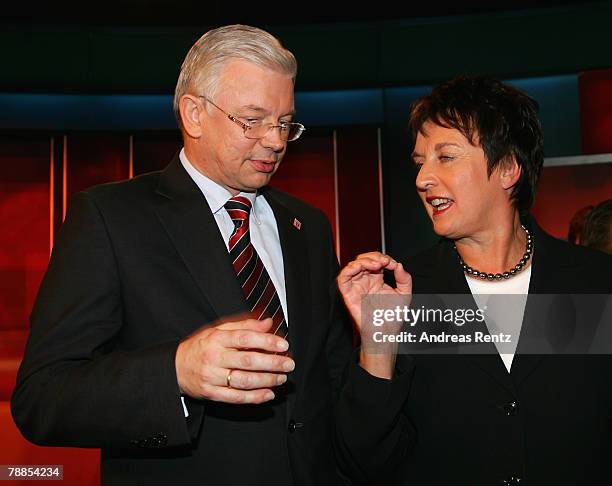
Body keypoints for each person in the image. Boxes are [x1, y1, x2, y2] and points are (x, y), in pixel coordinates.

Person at [11, 25, 352, 486]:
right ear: (193, 114)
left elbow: (327, 381)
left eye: (285, 123)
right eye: (252, 120)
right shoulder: (111, 217)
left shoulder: (308, 225)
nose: (274, 141)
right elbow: (42, 398)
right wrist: (175, 374)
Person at [335, 76, 612, 485]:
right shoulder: (402, 294)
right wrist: (378, 344)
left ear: (507, 169)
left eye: (445, 157)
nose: (422, 179)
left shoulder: (594, 284)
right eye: (419, 162)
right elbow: (363, 462)